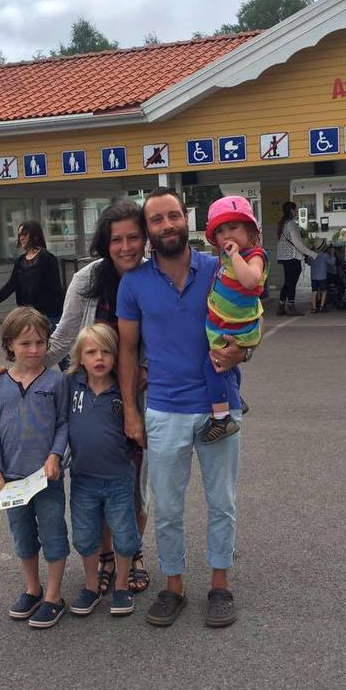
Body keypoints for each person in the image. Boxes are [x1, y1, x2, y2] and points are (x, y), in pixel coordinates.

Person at [0, 201, 150, 595]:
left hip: (140, 391)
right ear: (103, 242)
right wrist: (9, 377)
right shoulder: (87, 279)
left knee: (136, 482)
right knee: (96, 474)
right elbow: (59, 341)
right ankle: (106, 557)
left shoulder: (153, 275)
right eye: (116, 239)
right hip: (90, 396)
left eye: (133, 238)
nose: (126, 247)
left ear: (145, 240)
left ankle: (134, 552)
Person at [117, 187, 251, 629]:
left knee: (222, 502)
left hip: (220, 406)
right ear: (148, 230)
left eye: (174, 215)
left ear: (186, 219)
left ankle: (219, 584)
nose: (168, 225)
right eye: (157, 220)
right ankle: (172, 587)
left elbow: (249, 320)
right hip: (164, 410)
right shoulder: (133, 282)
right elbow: (128, 352)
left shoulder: (219, 267)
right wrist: (132, 413)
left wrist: (243, 353)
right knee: (169, 506)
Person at [0, 307, 70, 629]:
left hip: (46, 477)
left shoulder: (56, 381)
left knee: (54, 534)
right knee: (22, 536)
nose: (34, 350)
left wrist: (55, 456)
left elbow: (63, 423)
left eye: (40, 342)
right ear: (9, 345)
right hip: (12, 482)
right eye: (25, 344)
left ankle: (54, 595)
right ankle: (33, 588)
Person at [66, 324, 142, 618]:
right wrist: (0, 374)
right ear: (80, 357)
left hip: (119, 478)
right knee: (85, 536)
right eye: (91, 352)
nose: (99, 358)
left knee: (124, 535)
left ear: (116, 356)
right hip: (83, 478)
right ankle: (91, 586)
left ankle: (121, 586)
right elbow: (37, 381)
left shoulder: (123, 390)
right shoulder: (70, 385)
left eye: (106, 352)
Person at [202, 196, 268, 443]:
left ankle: (221, 417)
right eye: (220, 231)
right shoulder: (226, 258)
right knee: (228, 367)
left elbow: (251, 281)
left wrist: (236, 256)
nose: (227, 235)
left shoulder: (254, 255)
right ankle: (235, 395)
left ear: (250, 231)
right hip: (226, 324)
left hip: (237, 328)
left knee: (212, 366)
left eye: (233, 228)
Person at [0, 220, 64, 327]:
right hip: (27, 317)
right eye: (19, 234)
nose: (21, 237)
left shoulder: (47, 258)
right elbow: (10, 286)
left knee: (46, 344)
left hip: (48, 317)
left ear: (35, 235)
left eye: (25, 234)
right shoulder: (20, 261)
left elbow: (56, 289)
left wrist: (63, 316)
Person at [275, 201, 318, 316]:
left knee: (288, 282)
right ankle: (291, 306)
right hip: (293, 257)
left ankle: (281, 305)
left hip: (284, 257)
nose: (296, 212)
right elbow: (298, 244)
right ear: (292, 210)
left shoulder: (282, 224)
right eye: (295, 210)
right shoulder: (291, 224)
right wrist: (313, 254)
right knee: (291, 283)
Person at [307, 239, 335, 313]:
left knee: (314, 291)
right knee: (324, 291)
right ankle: (322, 306)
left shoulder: (312, 255)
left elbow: (309, 263)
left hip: (313, 277)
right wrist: (332, 254)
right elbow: (332, 262)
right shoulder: (324, 256)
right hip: (322, 277)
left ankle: (314, 308)